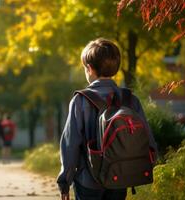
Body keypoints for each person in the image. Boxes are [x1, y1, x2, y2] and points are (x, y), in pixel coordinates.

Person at [57, 38, 157, 200]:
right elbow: (148, 141)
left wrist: (64, 182)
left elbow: (70, 144)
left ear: (89, 69)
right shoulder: (130, 99)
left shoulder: (81, 100)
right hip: (120, 177)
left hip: (88, 180)